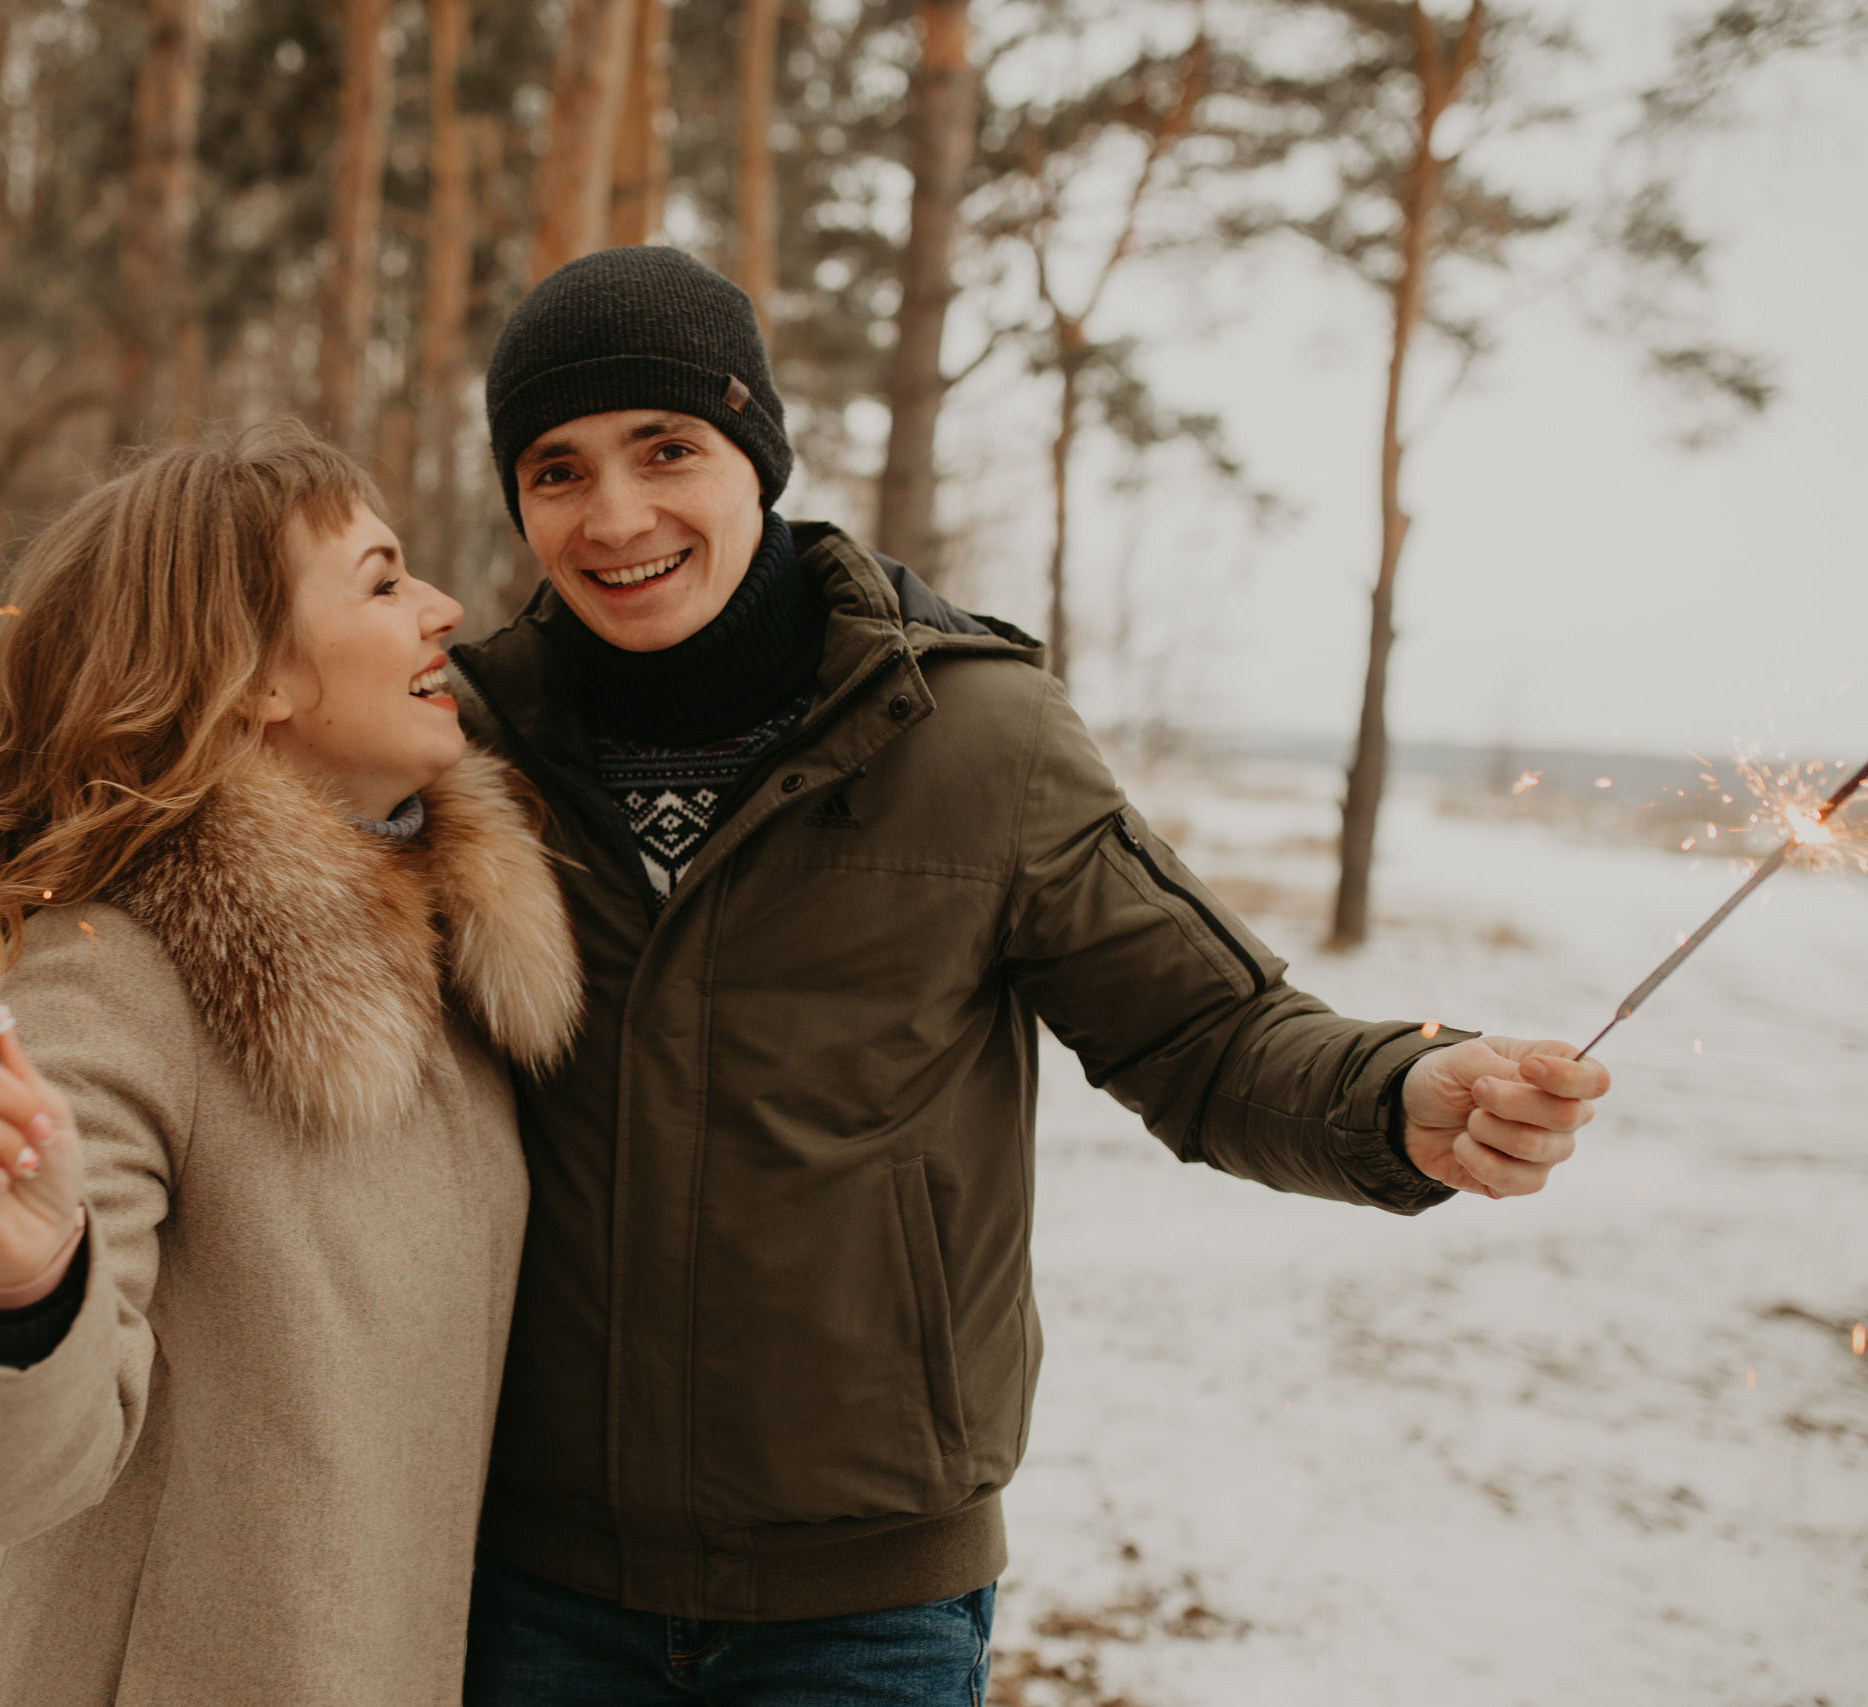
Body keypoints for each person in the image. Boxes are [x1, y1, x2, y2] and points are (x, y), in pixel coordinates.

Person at [446, 245, 1611, 1704]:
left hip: (862, 1606)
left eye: (664, 448)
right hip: (536, 1585)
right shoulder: (464, 752)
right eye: (557, 469)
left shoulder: (974, 736)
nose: (616, 515)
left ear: (760, 456)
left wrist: (1402, 1092)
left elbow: (1209, 1026)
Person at [0, 423, 583, 1707]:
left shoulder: (446, 966)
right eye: (379, 580)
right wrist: (20, 1284)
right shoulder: (120, 977)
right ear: (255, 676)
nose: (442, 609)